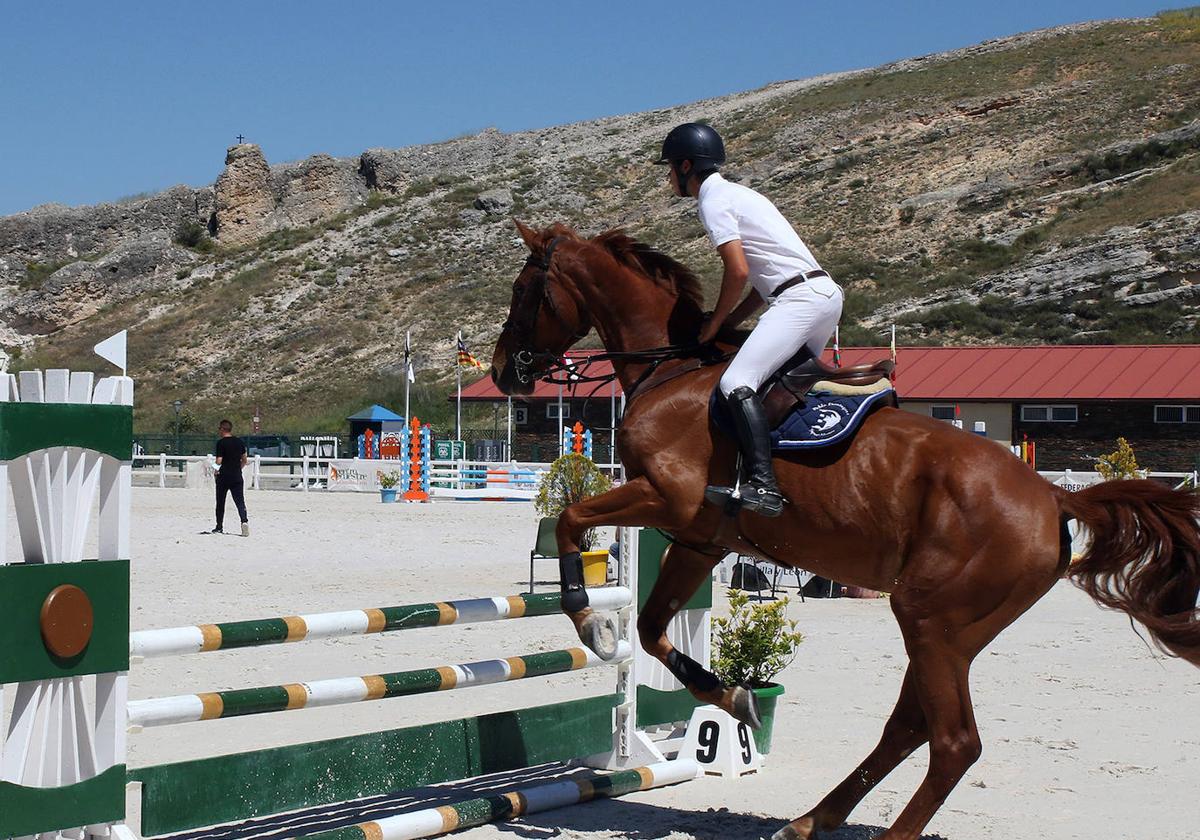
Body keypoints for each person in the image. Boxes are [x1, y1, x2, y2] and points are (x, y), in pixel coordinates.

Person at [657, 122, 843, 517]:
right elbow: (761, 283)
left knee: (736, 381)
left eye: (671, 167)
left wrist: (713, 324)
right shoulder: (741, 193)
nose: (670, 175)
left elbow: (738, 271)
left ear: (688, 165)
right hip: (822, 295)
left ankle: (765, 486)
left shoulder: (712, 200)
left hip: (799, 300)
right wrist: (732, 322)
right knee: (785, 386)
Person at [213, 419, 249, 536]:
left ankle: (219, 526)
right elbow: (244, 460)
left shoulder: (221, 443)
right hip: (236, 476)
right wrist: (238, 468)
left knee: (220, 502)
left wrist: (214, 469)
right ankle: (244, 521)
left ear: (223, 429)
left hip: (223, 476)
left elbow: (219, 461)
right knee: (240, 501)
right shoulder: (239, 442)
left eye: (219, 429)